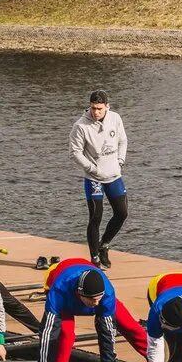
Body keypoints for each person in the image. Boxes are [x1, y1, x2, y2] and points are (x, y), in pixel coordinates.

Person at [37, 259, 147, 362]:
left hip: (90, 280)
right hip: (63, 285)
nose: (96, 304)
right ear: (79, 294)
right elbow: (48, 332)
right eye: (93, 300)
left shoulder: (107, 294)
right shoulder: (58, 291)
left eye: (98, 299)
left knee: (130, 326)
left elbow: (107, 332)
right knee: (66, 336)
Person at [70, 89, 128, 269]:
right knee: (96, 216)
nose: (96, 112)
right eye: (93, 108)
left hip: (113, 175)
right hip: (94, 178)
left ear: (107, 107)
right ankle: (94, 257)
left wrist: (120, 160)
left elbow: (122, 140)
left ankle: (104, 245)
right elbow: (75, 152)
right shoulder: (81, 126)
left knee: (122, 213)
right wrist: (91, 168)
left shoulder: (115, 118)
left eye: (99, 109)